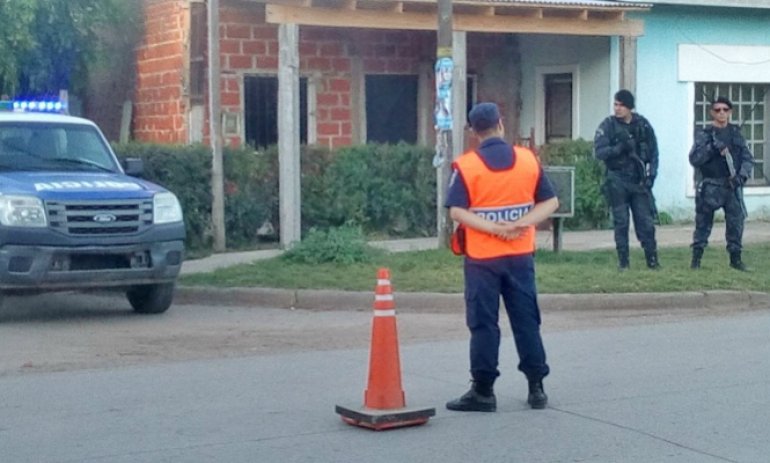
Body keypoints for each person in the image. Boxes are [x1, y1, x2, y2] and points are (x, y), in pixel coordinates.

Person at [444, 102, 559, 412]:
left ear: (473, 131)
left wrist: (493, 228)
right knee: (526, 321)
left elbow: (456, 211)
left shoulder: (467, 166)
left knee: (484, 324)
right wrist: (523, 222)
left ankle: (483, 392)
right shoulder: (527, 159)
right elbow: (551, 202)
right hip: (520, 255)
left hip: (482, 259)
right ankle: (536, 388)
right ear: (501, 123)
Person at [594, 89, 660, 270]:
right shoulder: (608, 125)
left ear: (629, 107)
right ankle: (623, 262)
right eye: (615, 104)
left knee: (645, 222)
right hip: (617, 179)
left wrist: (651, 176)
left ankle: (652, 260)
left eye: (621, 105)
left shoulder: (643, 125)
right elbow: (600, 152)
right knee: (621, 222)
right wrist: (619, 148)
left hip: (639, 181)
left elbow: (653, 153)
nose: (617, 108)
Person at [688, 96, 754, 271]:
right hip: (711, 185)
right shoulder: (705, 134)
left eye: (725, 110)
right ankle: (696, 260)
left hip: (732, 185)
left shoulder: (735, 134)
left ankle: (735, 259)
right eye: (717, 110)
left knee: (736, 223)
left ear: (730, 112)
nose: (722, 113)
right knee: (703, 224)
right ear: (712, 112)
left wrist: (741, 176)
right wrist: (712, 149)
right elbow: (695, 159)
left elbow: (747, 158)